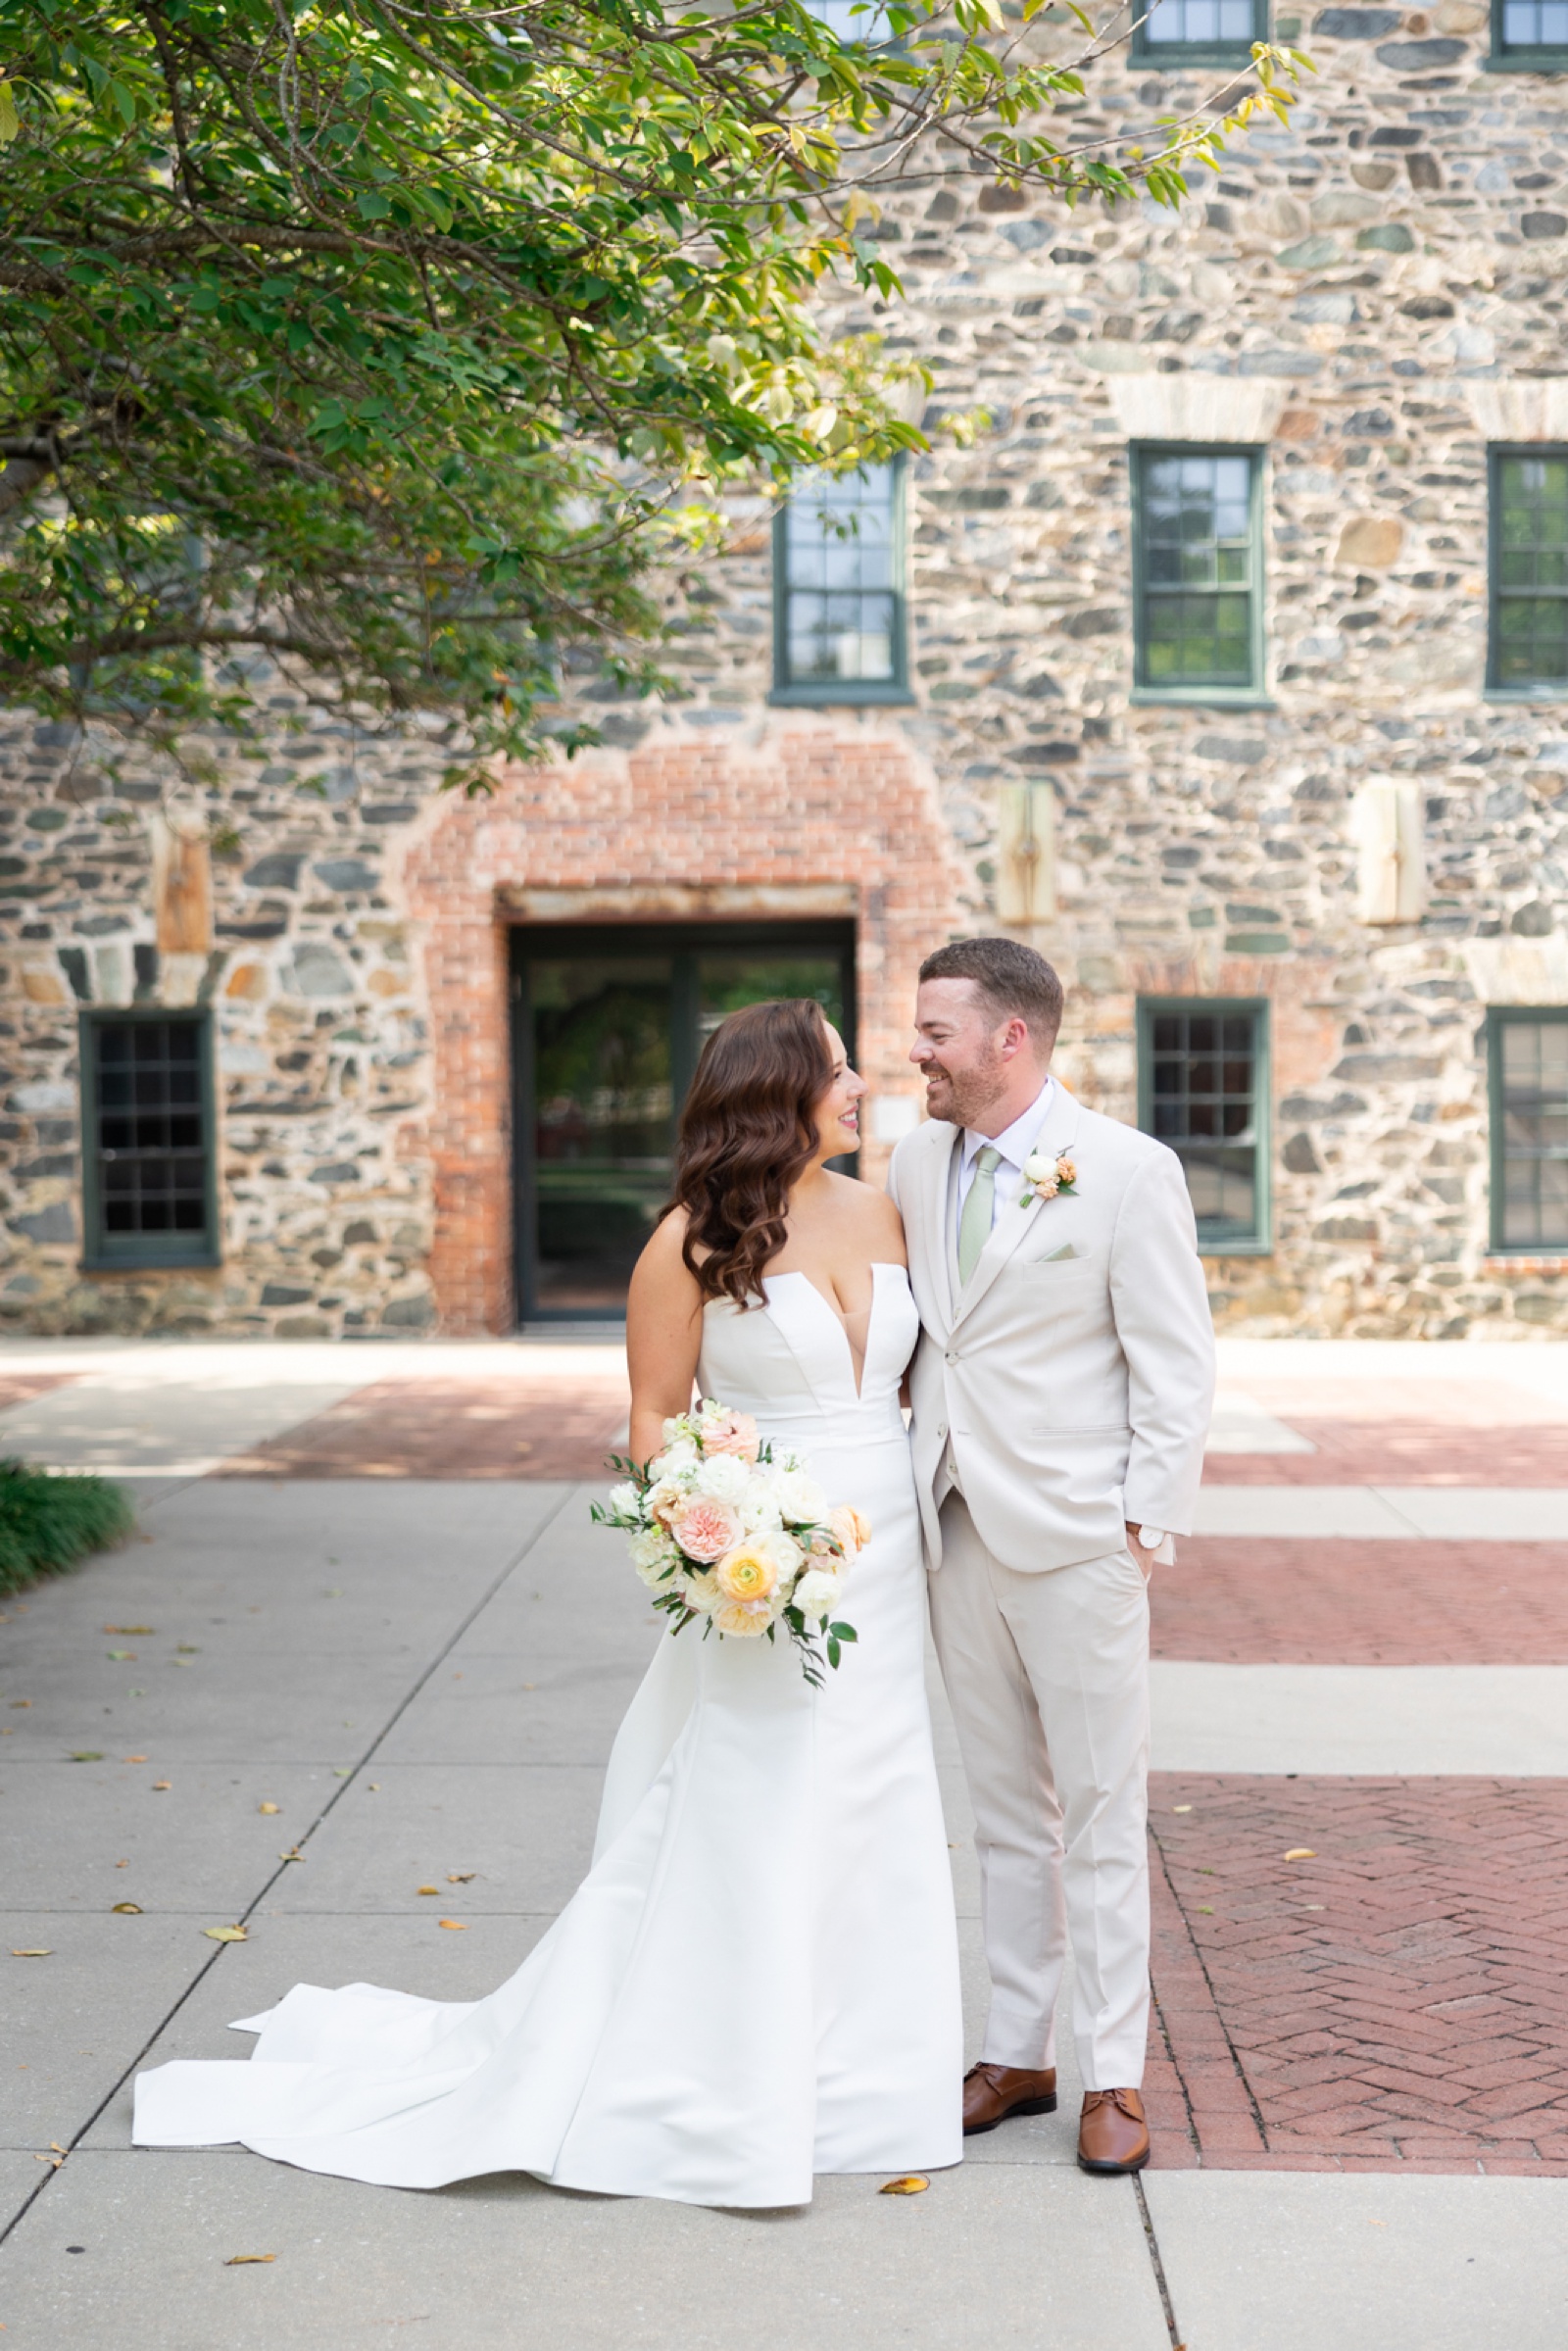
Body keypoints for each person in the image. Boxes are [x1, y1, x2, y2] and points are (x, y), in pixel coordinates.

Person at [132, 999, 962, 2208]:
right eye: (837, 1067)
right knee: (757, 1805)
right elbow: (651, 1428)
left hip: (879, 1570)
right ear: (777, 1090)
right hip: (764, 1576)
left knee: (872, 1804)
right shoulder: (686, 1242)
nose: (859, 1084)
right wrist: (715, 1539)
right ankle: (719, 2077)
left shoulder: (887, 1211)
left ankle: (863, 2082)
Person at [888, 938, 1214, 2176]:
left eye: (934, 1031)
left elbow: (1175, 1363)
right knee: (1003, 1811)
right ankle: (1014, 2050)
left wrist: (1140, 1524)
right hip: (955, 1521)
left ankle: (1111, 2071)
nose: (915, 1050)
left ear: (1005, 1038)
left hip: (1080, 1536)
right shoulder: (917, 1161)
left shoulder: (1128, 1171)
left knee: (1100, 1807)